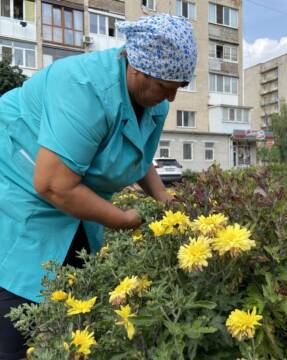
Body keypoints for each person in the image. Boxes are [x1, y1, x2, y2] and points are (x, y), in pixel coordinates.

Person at [0, 13, 197, 359]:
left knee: (79, 287)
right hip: (18, 176)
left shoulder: (155, 99)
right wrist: (122, 219)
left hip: (68, 185)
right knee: (19, 289)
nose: (172, 99)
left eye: (178, 88)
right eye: (167, 87)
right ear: (138, 68)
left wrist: (164, 198)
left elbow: (137, 150)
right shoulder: (84, 88)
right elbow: (54, 185)